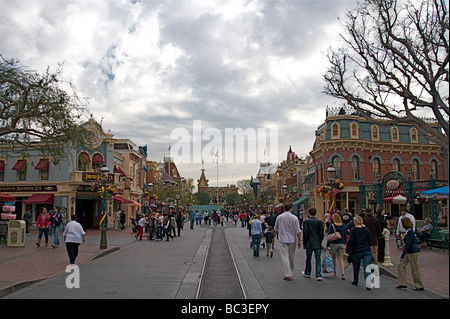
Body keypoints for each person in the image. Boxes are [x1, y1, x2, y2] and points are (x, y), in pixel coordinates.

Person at [274, 203, 302, 281]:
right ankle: (290, 272)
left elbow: (276, 228)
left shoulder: (279, 217)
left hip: (282, 238)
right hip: (292, 239)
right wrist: (299, 240)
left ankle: (287, 274)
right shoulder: (294, 218)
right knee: (291, 256)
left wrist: (277, 235)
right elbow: (298, 230)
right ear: (291, 209)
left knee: (284, 257)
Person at [396, 217, 424, 291]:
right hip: (409, 251)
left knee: (415, 268)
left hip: (412, 251)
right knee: (401, 266)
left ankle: (419, 285)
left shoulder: (410, 232)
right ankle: (402, 283)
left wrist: (402, 255)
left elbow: (408, 244)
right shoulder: (409, 232)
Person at [346, 216, 373, 290]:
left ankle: (355, 280)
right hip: (366, 250)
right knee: (367, 267)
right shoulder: (366, 229)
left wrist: (348, 249)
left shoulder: (353, 230)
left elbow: (351, 240)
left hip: (357, 250)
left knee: (356, 266)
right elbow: (370, 240)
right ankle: (368, 283)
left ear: (355, 222)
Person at [302, 207, 324, 281]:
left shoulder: (306, 222)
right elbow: (321, 233)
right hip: (317, 242)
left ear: (308, 213)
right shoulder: (320, 222)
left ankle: (307, 272)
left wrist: (304, 241)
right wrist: (320, 240)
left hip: (309, 242)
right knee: (318, 259)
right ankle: (318, 274)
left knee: (308, 258)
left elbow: (305, 233)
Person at [327, 213, 347, 280]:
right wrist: (344, 242)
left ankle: (335, 272)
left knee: (334, 258)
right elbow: (345, 235)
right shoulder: (343, 225)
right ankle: (343, 273)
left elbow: (329, 236)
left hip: (334, 243)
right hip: (341, 243)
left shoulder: (332, 226)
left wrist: (327, 245)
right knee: (341, 259)